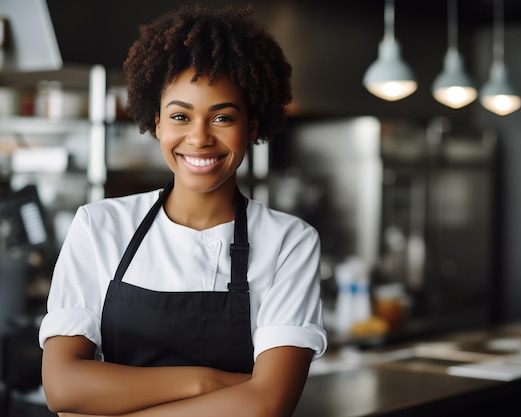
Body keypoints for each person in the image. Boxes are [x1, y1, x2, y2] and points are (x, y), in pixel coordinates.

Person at [38, 4, 327, 417]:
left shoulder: (288, 242)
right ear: (156, 123)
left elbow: (266, 405)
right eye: (180, 116)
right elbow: (63, 387)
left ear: (253, 127)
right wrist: (205, 381)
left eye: (223, 117)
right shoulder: (100, 226)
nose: (199, 138)